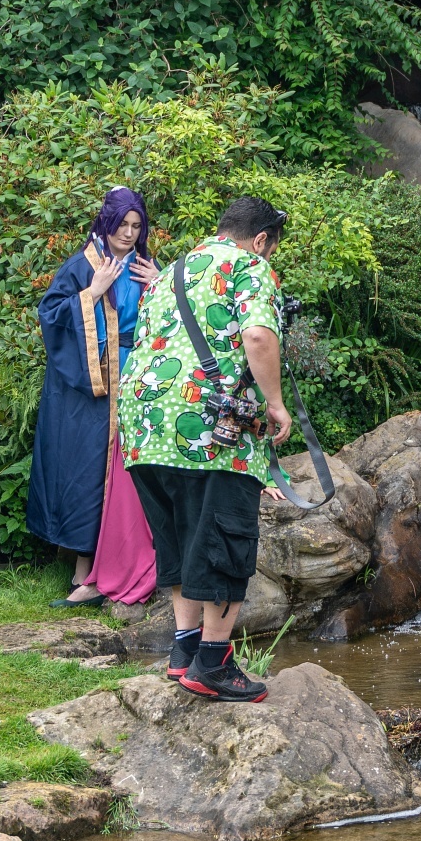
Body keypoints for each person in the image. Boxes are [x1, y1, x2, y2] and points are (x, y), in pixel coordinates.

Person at [117, 195, 295, 702]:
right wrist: (275, 404)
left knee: (180, 535)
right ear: (259, 240)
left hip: (144, 427)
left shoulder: (170, 273)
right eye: (270, 249)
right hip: (211, 430)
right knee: (224, 539)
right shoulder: (249, 266)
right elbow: (257, 337)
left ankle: (184, 651)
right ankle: (212, 665)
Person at [28, 188, 159, 603]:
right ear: (106, 223)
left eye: (136, 226)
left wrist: (159, 287)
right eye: (122, 225)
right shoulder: (81, 266)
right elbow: (50, 316)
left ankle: (125, 561)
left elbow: (169, 322)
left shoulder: (146, 266)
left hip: (135, 379)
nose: (129, 233)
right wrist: (92, 292)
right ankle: (82, 572)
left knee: (126, 471)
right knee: (88, 469)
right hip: (88, 384)